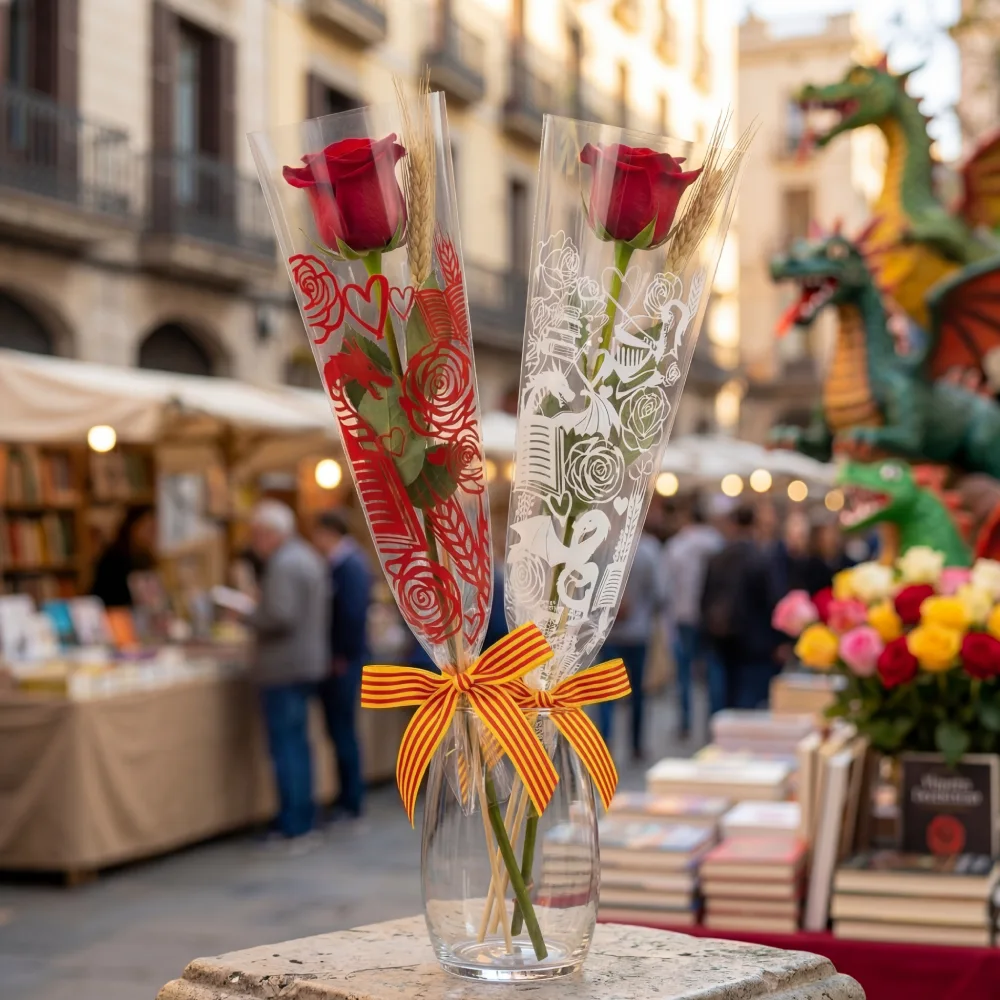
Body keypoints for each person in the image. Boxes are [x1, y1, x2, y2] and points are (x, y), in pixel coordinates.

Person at [248, 500, 328, 842]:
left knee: (287, 747)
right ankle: (304, 815)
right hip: (305, 663)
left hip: (283, 667)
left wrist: (247, 614)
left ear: (271, 533)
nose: (254, 542)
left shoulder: (283, 564)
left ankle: (293, 822)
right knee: (299, 743)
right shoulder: (306, 556)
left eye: (257, 534)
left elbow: (281, 615)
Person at [312, 510, 372, 821]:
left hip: (344, 661)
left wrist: (341, 655)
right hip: (344, 658)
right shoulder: (344, 563)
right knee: (339, 730)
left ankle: (351, 798)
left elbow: (351, 615)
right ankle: (347, 794)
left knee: (343, 728)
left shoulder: (349, 565)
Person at [701, 504, 781, 711]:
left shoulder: (718, 558)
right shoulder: (761, 559)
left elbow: (704, 598)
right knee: (748, 703)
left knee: (722, 697)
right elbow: (771, 600)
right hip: (754, 643)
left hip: (722, 638)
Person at [597, 523, 663, 762]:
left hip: (609, 630)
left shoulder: (605, 545)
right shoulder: (648, 548)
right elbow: (659, 592)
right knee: (637, 692)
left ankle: (605, 741)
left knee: (606, 692)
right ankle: (636, 745)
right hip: (638, 631)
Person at [660, 497, 723, 738]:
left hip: (684, 614)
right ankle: (713, 722)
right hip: (711, 616)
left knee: (684, 672)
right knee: (712, 669)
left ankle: (685, 722)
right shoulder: (717, 542)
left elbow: (666, 586)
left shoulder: (678, 545)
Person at [90, 505, 157, 608]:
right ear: (133, 528)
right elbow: (110, 596)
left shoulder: (146, 558)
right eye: (148, 528)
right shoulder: (114, 558)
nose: (152, 534)